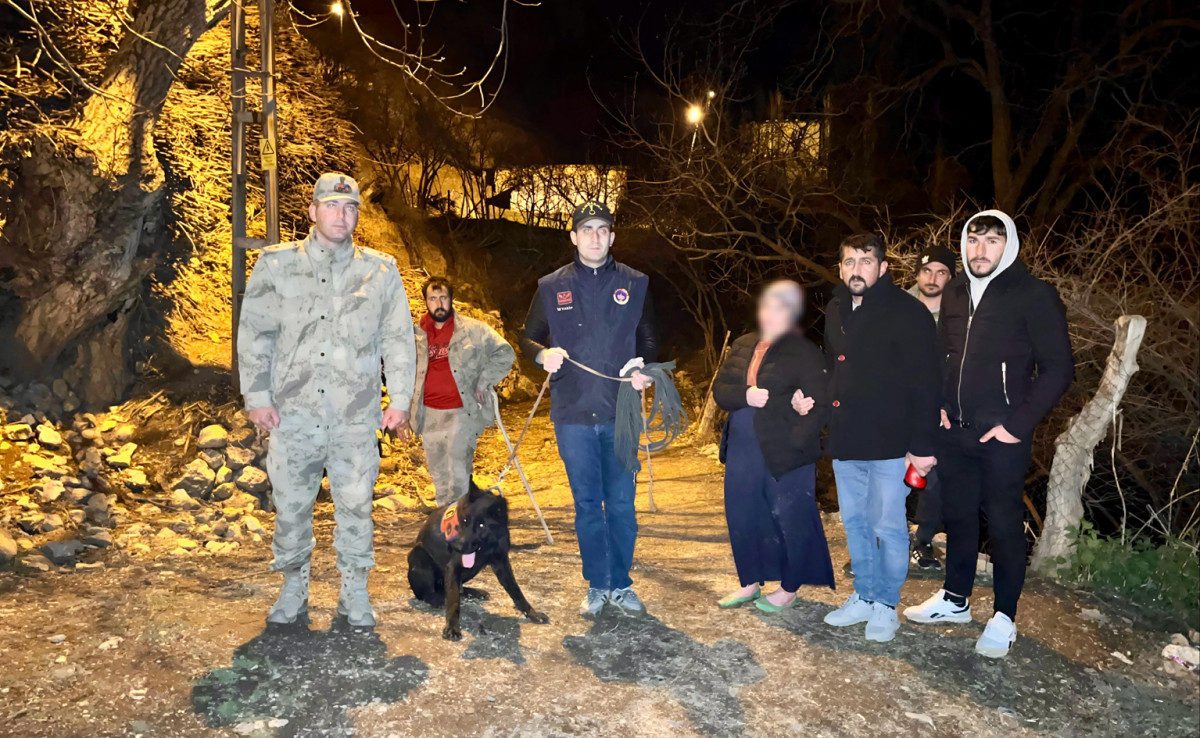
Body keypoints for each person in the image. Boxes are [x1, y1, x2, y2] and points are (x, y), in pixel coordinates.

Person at [238, 172, 415, 627]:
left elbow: (397, 339)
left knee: (356, 507)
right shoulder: (276, 266)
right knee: (292, 506)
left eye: (351, 207)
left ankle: (354, 590)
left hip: (355, 418)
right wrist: (257, 395)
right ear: (313, 211)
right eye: (332, 206)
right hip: (293, 417)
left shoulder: (380, 271)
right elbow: (256, 333)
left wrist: (400, 398)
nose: (342, 215)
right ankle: (293, 587)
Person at [904, 210, 1073, 658]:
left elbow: (1058, 368)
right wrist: (938, 404)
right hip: (953, 429)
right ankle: (956, 599)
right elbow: (943, 354)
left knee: (1002, 524)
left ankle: (1004, 617)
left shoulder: (1034, 295)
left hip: (1002, 436)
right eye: (974, 240)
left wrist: (1018, 425)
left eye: (992, 241)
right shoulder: (955, 290)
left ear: (1009, 245)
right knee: (957, 516)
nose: (981, 250)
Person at [519, 200, 656, 617]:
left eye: (603, 229)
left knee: (620, 505)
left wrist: (644, 369)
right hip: (572, 415)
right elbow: (528, 339)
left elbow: (649, 340)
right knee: (586, 506)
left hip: (621, 414)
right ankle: (598, 583)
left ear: (612, 237)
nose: (595, 236)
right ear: (574, 236)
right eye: (587, 229)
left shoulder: (636, 283)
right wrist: (543, 356)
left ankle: (622, 582)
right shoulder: (550, 286)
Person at [822, 233, 941, 643]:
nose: (857, 269)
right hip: (846, 439)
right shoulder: (835, 308)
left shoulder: (908, 313)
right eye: (850, 261)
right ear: (840, 268)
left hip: (892, 442)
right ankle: (865, 594)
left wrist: (923, 447)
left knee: (888, 524)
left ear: (883, 268)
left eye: (866, 261)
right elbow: (834, 371)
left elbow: (927, 383)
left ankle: (886, 604)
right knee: (854, 523)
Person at [711, 280, 835, 612]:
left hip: (785, 451)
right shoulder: (741, 344)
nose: (771, 313)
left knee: (791, 518)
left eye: (781, 307)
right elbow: (721, 390)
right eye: (767, 306)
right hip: (741, 447)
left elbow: (819, 403)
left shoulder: (804, 351)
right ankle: (749, 582)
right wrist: (744, 396)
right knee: (743, 514)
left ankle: (790, 587)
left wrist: (797, 440)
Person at [399, 277, 515, 506]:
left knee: (459, 472)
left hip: (462, 411)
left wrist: (484, 381)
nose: (439, 303)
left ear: (451, 299)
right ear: (425, 302)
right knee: (440, 476)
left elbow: (505, 353)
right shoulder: (413, 336)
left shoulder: (474, 330)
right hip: (428, 413)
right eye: (433, 299)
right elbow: (401, 375)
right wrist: (403, 414)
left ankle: (461, 528)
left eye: (443, 298)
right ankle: (447, 527)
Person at [907, 245, 957, 570]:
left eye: (941, 272)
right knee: (886, 475)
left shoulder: (961, 315)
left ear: (951, 278)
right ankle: (881, 542)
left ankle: (923, 540)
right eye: (927, 271)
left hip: (940, 409)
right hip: (897, 406)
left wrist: (945, 405)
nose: (932, 278)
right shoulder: (897, 308)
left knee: (935, 477)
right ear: (917, 274)